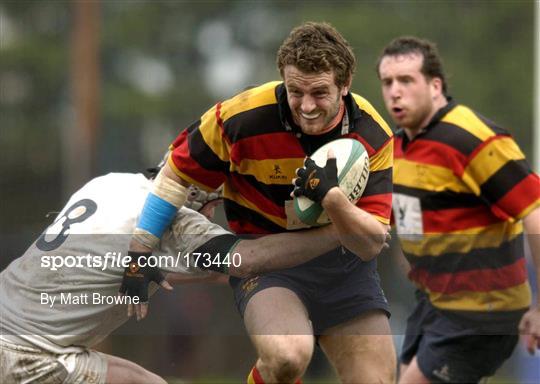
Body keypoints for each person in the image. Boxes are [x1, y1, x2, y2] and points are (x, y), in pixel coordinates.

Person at [128, 22, 396, 383]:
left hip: (344, 268)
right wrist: (139, 251)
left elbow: (370, 243)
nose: (306, 105)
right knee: (287, 357)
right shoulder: (240, 117)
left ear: (345, 85)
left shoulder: (373, 134)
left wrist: (332, 198)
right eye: (295, 90)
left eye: (319, 92)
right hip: (268, 265)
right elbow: (174, 174)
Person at [0, 171, 351, 384]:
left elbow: (107, 260)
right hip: (26, 354)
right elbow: (247, 260)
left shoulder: (111, 185)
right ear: (197, 195)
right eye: (213, 206)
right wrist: (341, 232)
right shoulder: (178, 223)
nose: (212, 215)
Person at [376, 36, 540, 383]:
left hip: (484, 311)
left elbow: (535, 213)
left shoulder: (472, 137)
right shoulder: (396, 148)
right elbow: (401, 224)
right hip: (434, 305)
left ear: (436, 86)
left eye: (407, 80)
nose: (395, 91)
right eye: (388, 82)